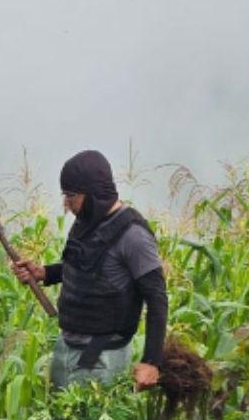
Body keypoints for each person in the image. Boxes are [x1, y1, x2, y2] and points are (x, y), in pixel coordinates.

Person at [12, 149, 169, 390]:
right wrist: (43, 273)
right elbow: (85, 267)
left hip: (99, 354)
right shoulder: (88, 222)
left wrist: (151, 361)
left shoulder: (134, 236)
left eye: (71, 196)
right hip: (67, 344)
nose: (66, 204)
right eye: (65, 195)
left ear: (94, 194)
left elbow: (157, 298)